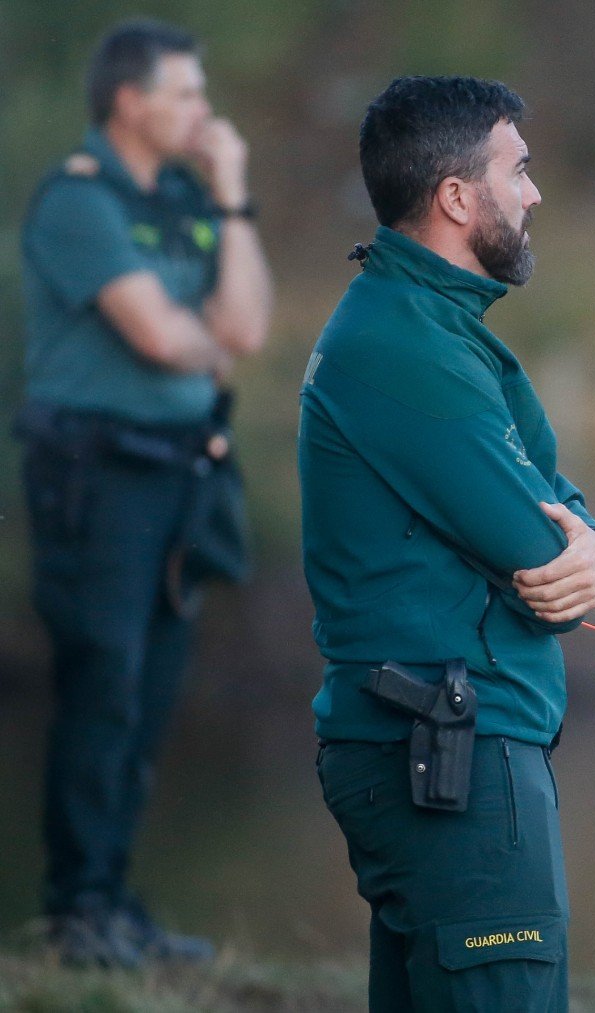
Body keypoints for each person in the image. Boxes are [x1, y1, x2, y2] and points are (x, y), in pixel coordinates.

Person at [298, 76, 595, 1011]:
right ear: (457, 195)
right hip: (449, 754)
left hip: (449, 748)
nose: (534, 194)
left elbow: (555, 500)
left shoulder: (442, 331)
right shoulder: (404, 344)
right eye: (518, 170)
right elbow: (538, 538)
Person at [14, 17, 272, 967]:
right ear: (130, 101)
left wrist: (233, 198)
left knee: (154, 690)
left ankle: (117, 904)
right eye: (186, 95)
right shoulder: (78, 202)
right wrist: (198, 334)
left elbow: (239, 327)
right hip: (95, 475)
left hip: (179, 472)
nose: (204, 114)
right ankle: (77, 910)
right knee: (104, 685)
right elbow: (164, 340)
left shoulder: (184, 199)